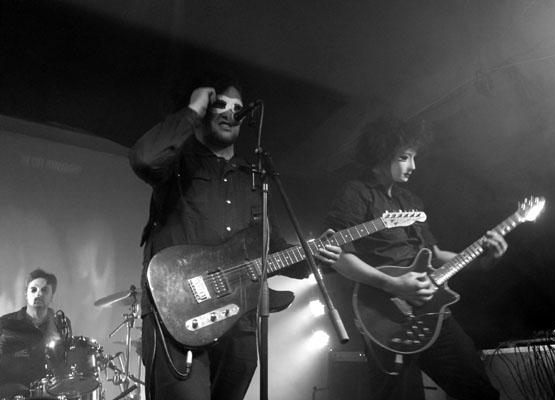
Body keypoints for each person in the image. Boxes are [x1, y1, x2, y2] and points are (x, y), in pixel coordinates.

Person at [129, 72, 341, 400]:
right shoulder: (178, 161)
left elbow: (274, 249)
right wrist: (193, 109)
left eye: (237, 107)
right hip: (177, 313)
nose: (230, 112)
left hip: (238, 323)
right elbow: (144, 159)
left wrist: (316, 257)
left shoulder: (253, 178)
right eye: (220, 104)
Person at [324, 116, 508, 400]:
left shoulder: (410, 201)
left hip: (434, 314)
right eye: (404, 157)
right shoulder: (355, 193)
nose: (413, 166)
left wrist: (483, 258)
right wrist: (392, 284)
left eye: (414, 157)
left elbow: (435, 255)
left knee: (480, 393)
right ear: (381, 154)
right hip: (385, 319)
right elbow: (339, 257)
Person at [0, 269, 65, 399]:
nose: (38, 294)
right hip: (12, 392)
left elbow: (65, 361)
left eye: (44, 290)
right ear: (26, 294)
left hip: (50, 392)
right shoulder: (6, 323)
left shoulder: (60, 324)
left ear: (52, 296)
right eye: (33, 290)